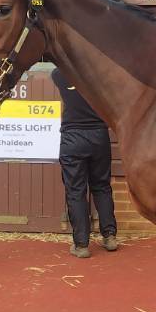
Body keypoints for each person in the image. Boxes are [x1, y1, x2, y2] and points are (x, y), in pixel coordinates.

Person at [53, 65, 118, 258]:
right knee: (102, 186)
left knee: (75, 191)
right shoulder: (101, 74)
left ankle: (81, 245)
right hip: (99, 135)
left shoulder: (59, 74)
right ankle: (110, 236)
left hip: (72, 137)